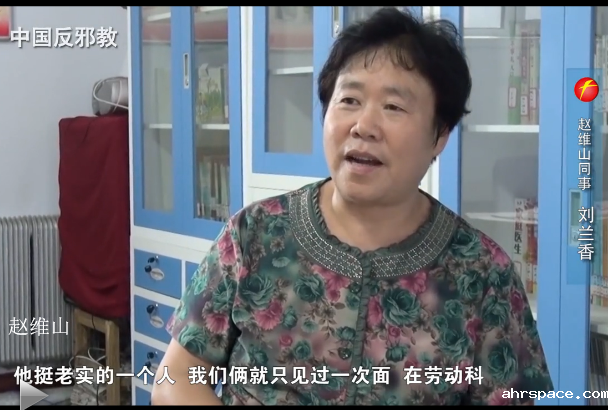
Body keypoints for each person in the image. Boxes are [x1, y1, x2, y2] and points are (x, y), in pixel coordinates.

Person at [151, 7, 553, 406]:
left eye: (393, 107)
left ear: (440, 135)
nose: (363, 126)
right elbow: (174, 382)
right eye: (349, 100)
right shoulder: (254, 234)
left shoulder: (484, 273)